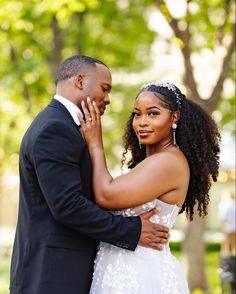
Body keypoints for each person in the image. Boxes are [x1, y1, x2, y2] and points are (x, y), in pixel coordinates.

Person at [9, 56, 170, 294]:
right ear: (80, 80)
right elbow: (67, 205)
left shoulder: (66, 125)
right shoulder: (55, 128)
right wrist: (132, 230)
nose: (107, 99)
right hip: (52, 275)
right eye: (104, 89)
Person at [78, 81, 221, 293]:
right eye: (137, 114)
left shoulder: (168, 162)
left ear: (175, 117)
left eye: (153, 114)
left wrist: (95, 144)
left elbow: (106, 196)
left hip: (139, 274)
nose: (142, 122)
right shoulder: (154, 161)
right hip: (120, 270)